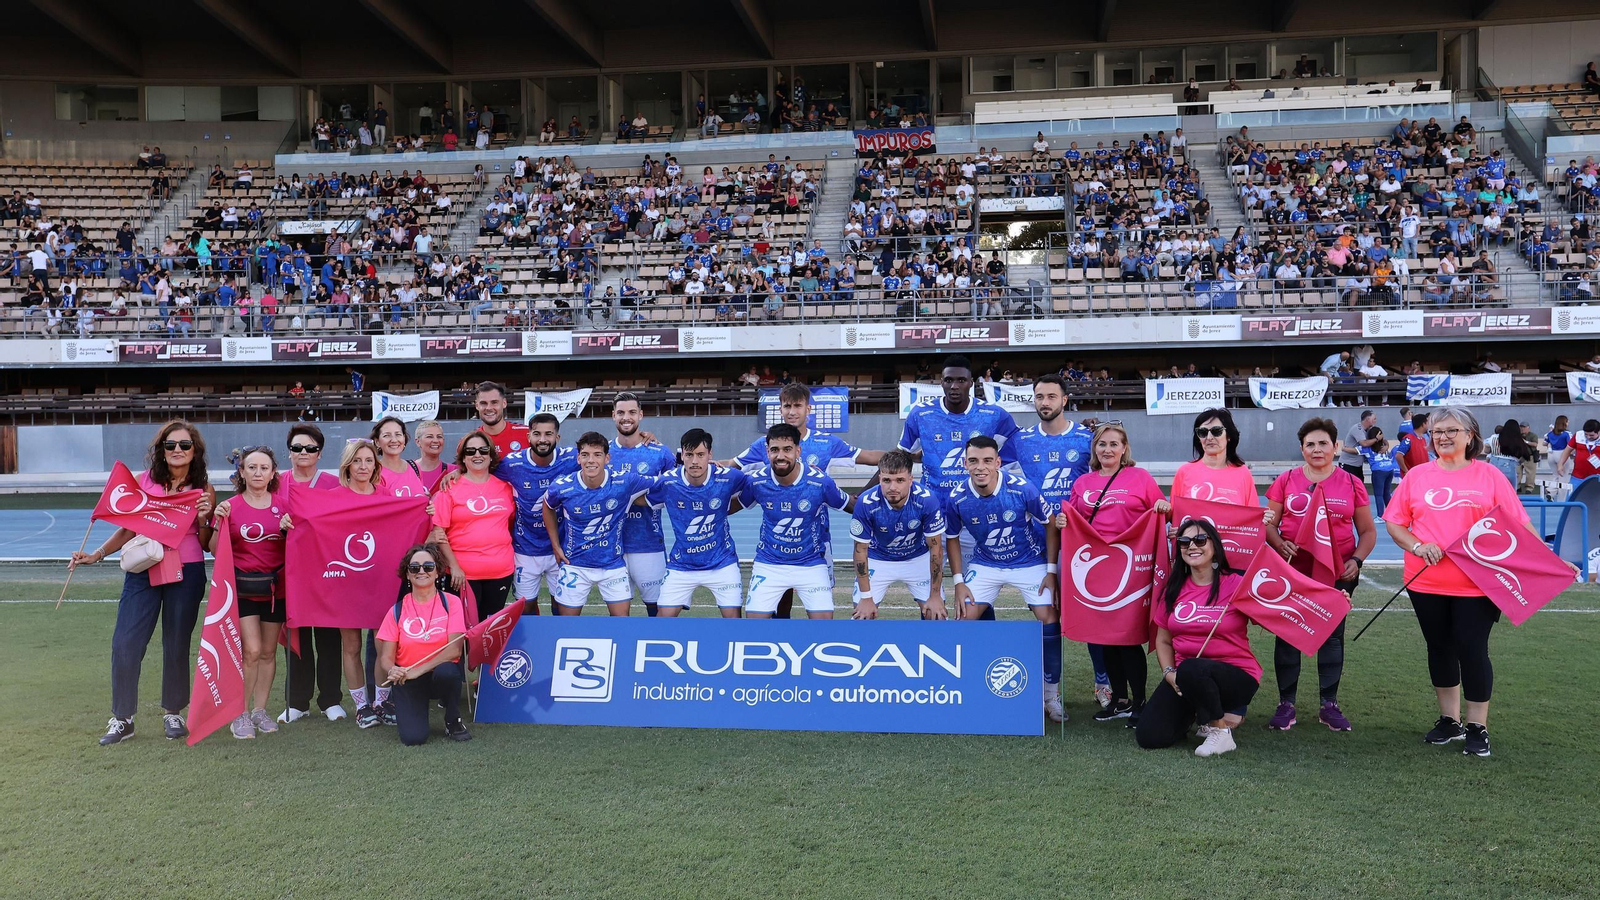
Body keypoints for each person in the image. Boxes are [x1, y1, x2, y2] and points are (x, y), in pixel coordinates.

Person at [1384, 407, 1552, 758]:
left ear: (1471, 435)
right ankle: (1450, 720)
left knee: (1472, 649)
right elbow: (1396, 524)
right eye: (1436, 431)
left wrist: (1548, 559)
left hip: (1479, 583)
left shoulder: (1490, 476)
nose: (1442, 437)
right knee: (1439, 648)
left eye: (1451, 430)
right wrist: (1418, 545)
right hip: (1425, 582)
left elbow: (1519, 525)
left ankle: (1477, 725)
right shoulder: (1417, 476)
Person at [72, 421, 217, 745]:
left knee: (176, 645)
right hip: (143, 568)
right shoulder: (143, 482)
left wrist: (205, 518)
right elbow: (128, 527)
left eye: (184, 445)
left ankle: (173, 712)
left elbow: (206, 542)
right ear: (161, 451)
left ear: (195, 451)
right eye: (170, 445)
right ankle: (123, 719)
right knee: (125, 644)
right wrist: (98, 553)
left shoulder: (203, 488)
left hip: (187, 570)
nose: (177, 450)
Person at [1263, 418, 1376, 733]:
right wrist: (1279, 543)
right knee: (1287, 636)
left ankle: (1329, 705)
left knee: (1332, 636)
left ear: (1336, 447)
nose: (1316, 449)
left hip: (1338, 572)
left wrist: (1357, 559)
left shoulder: (1351, 483)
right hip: (1292, 573)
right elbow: (1268, 524)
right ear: (1302, 449)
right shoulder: (1285, 481)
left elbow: (1367, 531)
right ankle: (1286, 705)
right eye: (1310, 444)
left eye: (1323, 443)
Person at [945, 436, 1064, 722]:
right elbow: (951, 539)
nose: (980, 467)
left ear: (998, 462)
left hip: (1029, 561)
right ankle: (973, 686)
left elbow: (1050, 525)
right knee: (962, 619)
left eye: (987, 460)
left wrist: (1050, 571)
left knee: (1049, 619)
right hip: (986, 564)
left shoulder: (1022, 489)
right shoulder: (957, 497)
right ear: (965, 464)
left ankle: (1051, 696)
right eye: (973, 461)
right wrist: (959, 582)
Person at [1058, 422, 1171, 723]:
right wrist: (1062, 521)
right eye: (1102, 444)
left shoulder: (1140, 477)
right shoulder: (1083, 483)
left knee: (1129, 637)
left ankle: (1140, 701)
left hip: (1132, 569)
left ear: (1124, 449)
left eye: (1113, 444)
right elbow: (1076, 522)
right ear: (1094, 449)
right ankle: (1119, 701)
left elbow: (1165, 510)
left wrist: (1163, 505)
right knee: (1105, 636)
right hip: (1098, 571)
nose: (1107, 449)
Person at [1009, 375, 1103, 705]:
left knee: (1093, 611)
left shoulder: (1086, 437)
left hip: (1083, 540)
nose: (1044, 402)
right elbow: (985, 461)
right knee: (1049, 615)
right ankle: (1052, 693)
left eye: (1051, 396)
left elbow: (1105, 475)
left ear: (1065, 400)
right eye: (1039, 396)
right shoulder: (1020, 440)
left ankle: (1103, 682)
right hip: (1037, 542)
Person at [1135, 519, 1259, 757]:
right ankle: (1199, 713)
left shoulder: (1236, 584)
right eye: (1184, 541)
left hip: (1236, 676)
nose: (1192, 546)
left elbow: (1276, 613)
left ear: (1215, 546)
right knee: (1149, 736)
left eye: (1200, 540)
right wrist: (1169, 673)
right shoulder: (1173, 590)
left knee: (1192, 667)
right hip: (1186, 678)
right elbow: (1163, 640)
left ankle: (1220, 732)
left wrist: (1333, 602)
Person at [898, 354, 1021, 570]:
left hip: (976, 514)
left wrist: (997, 472)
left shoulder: (993, 415)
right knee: (927, 584)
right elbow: (900, 457)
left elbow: (1021, 445)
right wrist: (865, 492)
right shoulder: (921, 414)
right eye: (948, 380)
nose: (954, 386)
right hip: (933, 513)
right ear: (941, 382)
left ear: (971, 383)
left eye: (961, 380)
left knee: (976, 586)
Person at [209, 447, 288, 739]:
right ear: (241, 472)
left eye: (264, 468)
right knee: (251, 651)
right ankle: (239, 714)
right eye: (251, 467)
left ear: (272, 473)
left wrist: (289, 530)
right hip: (242, 589)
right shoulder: (230, 507)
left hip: (275, 590)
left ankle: (260, 711)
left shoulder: (284, 505)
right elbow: (217, 552)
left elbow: (299, 546)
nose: (258, 473)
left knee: (268, 652)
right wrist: (218, 524)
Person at [737, 423, 854, 619]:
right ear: (767, 452)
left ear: (798, 451)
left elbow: (851, 506)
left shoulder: (819, 482)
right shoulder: (756, 481)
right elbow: (730, 506)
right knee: (754, 626)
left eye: (787, 449)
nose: (780, 456)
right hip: (769, 562)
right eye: (774, 450)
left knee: (824, 625)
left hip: (811, 563)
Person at [543, 432, 656, 615]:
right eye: (585, 455)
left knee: (621, 623)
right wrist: (555, 546)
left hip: (612, 565)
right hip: (575, 564)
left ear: (607, 458)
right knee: (567, 626)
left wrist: (707, 468)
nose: (591, 460)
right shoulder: (562, 486)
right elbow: (547, 506)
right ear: (578, 458)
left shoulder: (624, 481)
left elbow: (664, 482)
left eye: (597, 454)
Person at [647, 429, 752, 617]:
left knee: (734, 622)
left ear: (710, 455)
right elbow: (639, 498)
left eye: (700, 455)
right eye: (689, 455)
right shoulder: (668, 482)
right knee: (661, 621)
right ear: (682, 456)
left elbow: (760, 484)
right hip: (682, 564)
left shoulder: (728, 477)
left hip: (722, 562)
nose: (695, 461)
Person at [278, 424, 344, 722]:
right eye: (297, 448)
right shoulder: (275, 482)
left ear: (319, 452)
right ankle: (297, 702)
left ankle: (330, 699)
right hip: (290, 574)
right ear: (289, 451)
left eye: (310, 448)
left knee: (329, 638)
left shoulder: (333, 483)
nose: (303, 453)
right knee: (296, 638)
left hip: (327, 573)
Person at [375, 544, 471, 745]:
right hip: (407, 679)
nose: (421, 571)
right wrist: (393, 670)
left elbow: (454, 649)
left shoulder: (451, 603)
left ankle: (453, 719)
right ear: (407, 575)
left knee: (448, 671)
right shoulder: (397, 610)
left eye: (428, 566)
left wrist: (417, 670)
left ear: (437, 572)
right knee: (413, 738)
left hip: (436, 674)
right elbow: (385, 657)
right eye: (414, 568)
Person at [488, 412, 577, 615]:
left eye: (549, 434)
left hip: (561, 547)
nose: (543, 440)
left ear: (558, 437)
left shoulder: (571, 459)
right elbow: (482, 471)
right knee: (525, 607)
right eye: (537, 434)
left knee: (562, 606)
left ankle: (558, 643)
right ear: (528, 437)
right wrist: (457, 472)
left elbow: (601, 453)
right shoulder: (513, 463)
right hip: (525, 549)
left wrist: (644, 437)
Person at [850, 450, 948, 620]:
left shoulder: (927, 500)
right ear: (880, 478)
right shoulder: (866, 502)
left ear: (910, 480)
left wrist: (935, 595)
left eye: (900, 480)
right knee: (862, 616)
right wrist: (866, 598)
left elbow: (936, 548)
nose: (893, 487)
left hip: (916, 558)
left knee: (935, 615)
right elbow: (860, 550)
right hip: (878, 558)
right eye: (886, 480)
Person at [430, 430, 516, 621]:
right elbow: (439, 533)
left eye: (483, 450)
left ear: (490, 454)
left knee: (491, 630)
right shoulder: (448, 488)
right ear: (463, 458)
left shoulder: (505, 487)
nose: (477, 455)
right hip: (462, 574)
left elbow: (507, 524)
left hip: (501, 571)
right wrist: (455, 567)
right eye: (470, 451)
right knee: (464, 631)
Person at [608, 392, 678, 617]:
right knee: (618, 614)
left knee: (657, 610)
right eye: (620, 413)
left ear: (641, 415)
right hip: (611, 547)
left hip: (648, 545)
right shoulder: (602, 453)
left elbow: (676, 489)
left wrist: (644, 500)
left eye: (631, 412)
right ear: (613, 416)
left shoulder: (659, 453)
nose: (625, 417)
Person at [1171, 408, 1266, 514]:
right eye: (1203, 432)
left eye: (1216, 431)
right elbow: (1175, 515)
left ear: (1228, 436)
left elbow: (1252, 517)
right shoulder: (1184, 472)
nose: (1209, 437)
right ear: (1198, 438)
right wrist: (1163, 507)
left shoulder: (1243, 473)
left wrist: (1265, 518)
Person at [370, 416, 429, 498]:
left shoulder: (414, 467)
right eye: (387, 435)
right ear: (377, 442)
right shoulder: (374, 472)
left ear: (404, 438)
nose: (394, 440)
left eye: (398, 434)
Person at [473, 381, 529, 458]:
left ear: (504, 403)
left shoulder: (527, 434)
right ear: (477, 405)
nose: (489, 408)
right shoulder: (469, 441)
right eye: (483, 403)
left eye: (494, 402)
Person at [1363, 426, 1401, 521]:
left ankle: (1380, 516)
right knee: (1386, 493)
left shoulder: (1367, 448)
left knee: (1379, 494)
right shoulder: (1383, 446)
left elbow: (1355, 450)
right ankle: (1392, 514)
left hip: (1378, 471)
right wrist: (1387, 446)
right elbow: (1386, 441)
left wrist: (1345, 449)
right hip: (1389, 469)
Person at [1495, 418, 1537, 494]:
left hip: (1499, 460)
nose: (1522, 429)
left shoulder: (1499, 437)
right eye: (1521, 427)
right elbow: (1523, 451)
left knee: (1500, 484)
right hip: (1513, 461)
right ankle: (1515, 493)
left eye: (1524, 427)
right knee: (1513, 482)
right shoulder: (1517, 438)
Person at [1556, 418, 1600, 490]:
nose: (1588, 437)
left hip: (1597, 477)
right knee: (1572, 497)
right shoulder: (1578, 435)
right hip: (1578, 476)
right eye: (1586, 434)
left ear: (1598, 431)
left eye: (1591, 435)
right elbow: (1567, 450)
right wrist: (1560, 464)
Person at [412, 420, 453, 494]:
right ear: (418, 442)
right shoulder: (407, 470)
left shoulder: (453, 471)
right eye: (429, 437)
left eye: (439, 437)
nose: (435, 440)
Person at [1340, 410, 1377, 481]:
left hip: (1358, 464)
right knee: (1348, 486)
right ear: (1368, 419)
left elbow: (1382, 439)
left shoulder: (1369, 430)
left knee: (1359, 485)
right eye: (1374, 419)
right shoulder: (1357, 428)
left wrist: (1386, 446)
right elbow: (1364, 443)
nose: (1375, 421)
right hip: (1348, 463)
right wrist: (1376, 439)